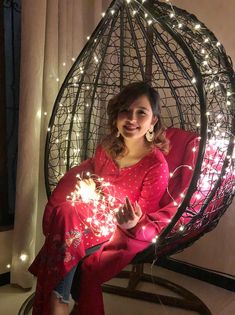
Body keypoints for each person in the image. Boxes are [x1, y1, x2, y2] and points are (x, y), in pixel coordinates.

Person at [29, 81, 170, 315]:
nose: (131, 119)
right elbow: (97, 184)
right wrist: (88, 188)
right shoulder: (107, 148)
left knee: (65, 224)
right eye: (125, 110)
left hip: (117, 229)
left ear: (153, 120)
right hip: (90, 216)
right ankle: (59, 300)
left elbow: (146, 214)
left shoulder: (156, 165)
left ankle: (56, 302)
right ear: (116, 114)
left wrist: (132, 223)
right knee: (66, 211)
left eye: (141, 112)